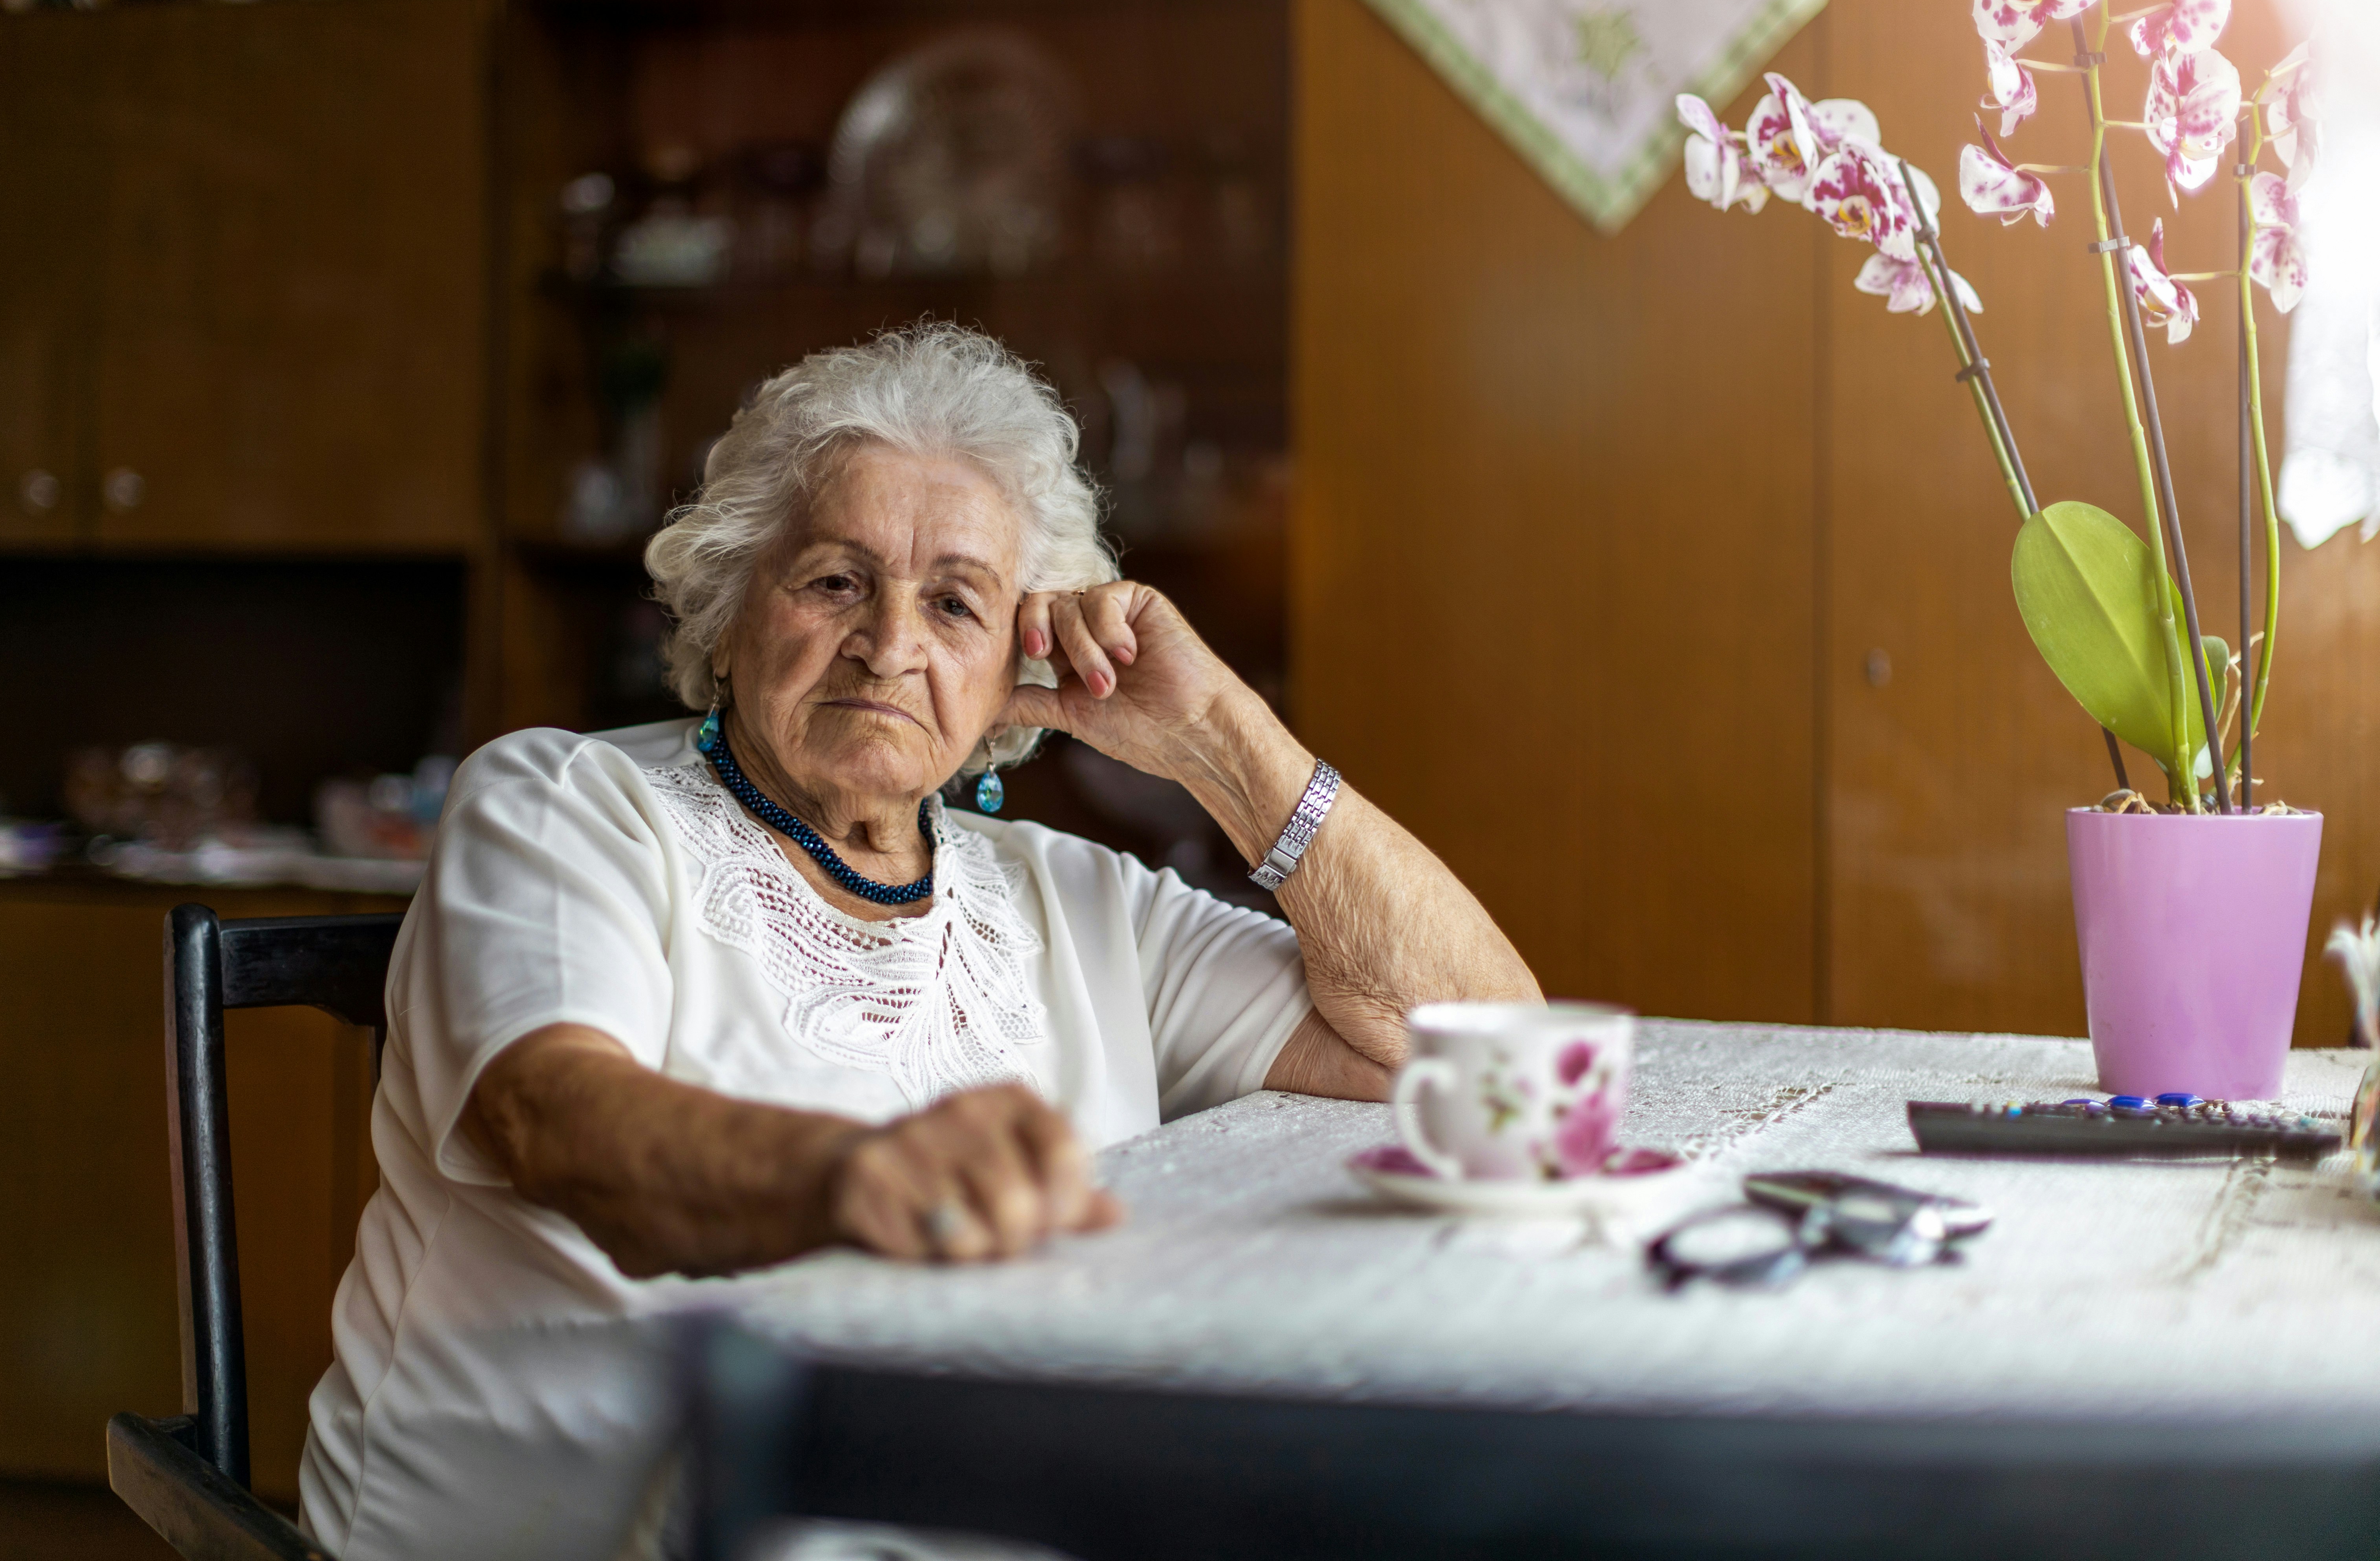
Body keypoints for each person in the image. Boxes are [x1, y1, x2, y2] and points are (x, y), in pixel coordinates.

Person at [299, 324, 1539, 1559]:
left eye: (956, 603)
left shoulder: (1079, 900)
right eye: (835, 581)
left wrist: (1224, 740)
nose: (890, 647)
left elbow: (1487, 1059)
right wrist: (851, 1183)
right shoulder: (568, 808)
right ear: (733, 606)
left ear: (1018, 664)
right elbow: (554, 1118)